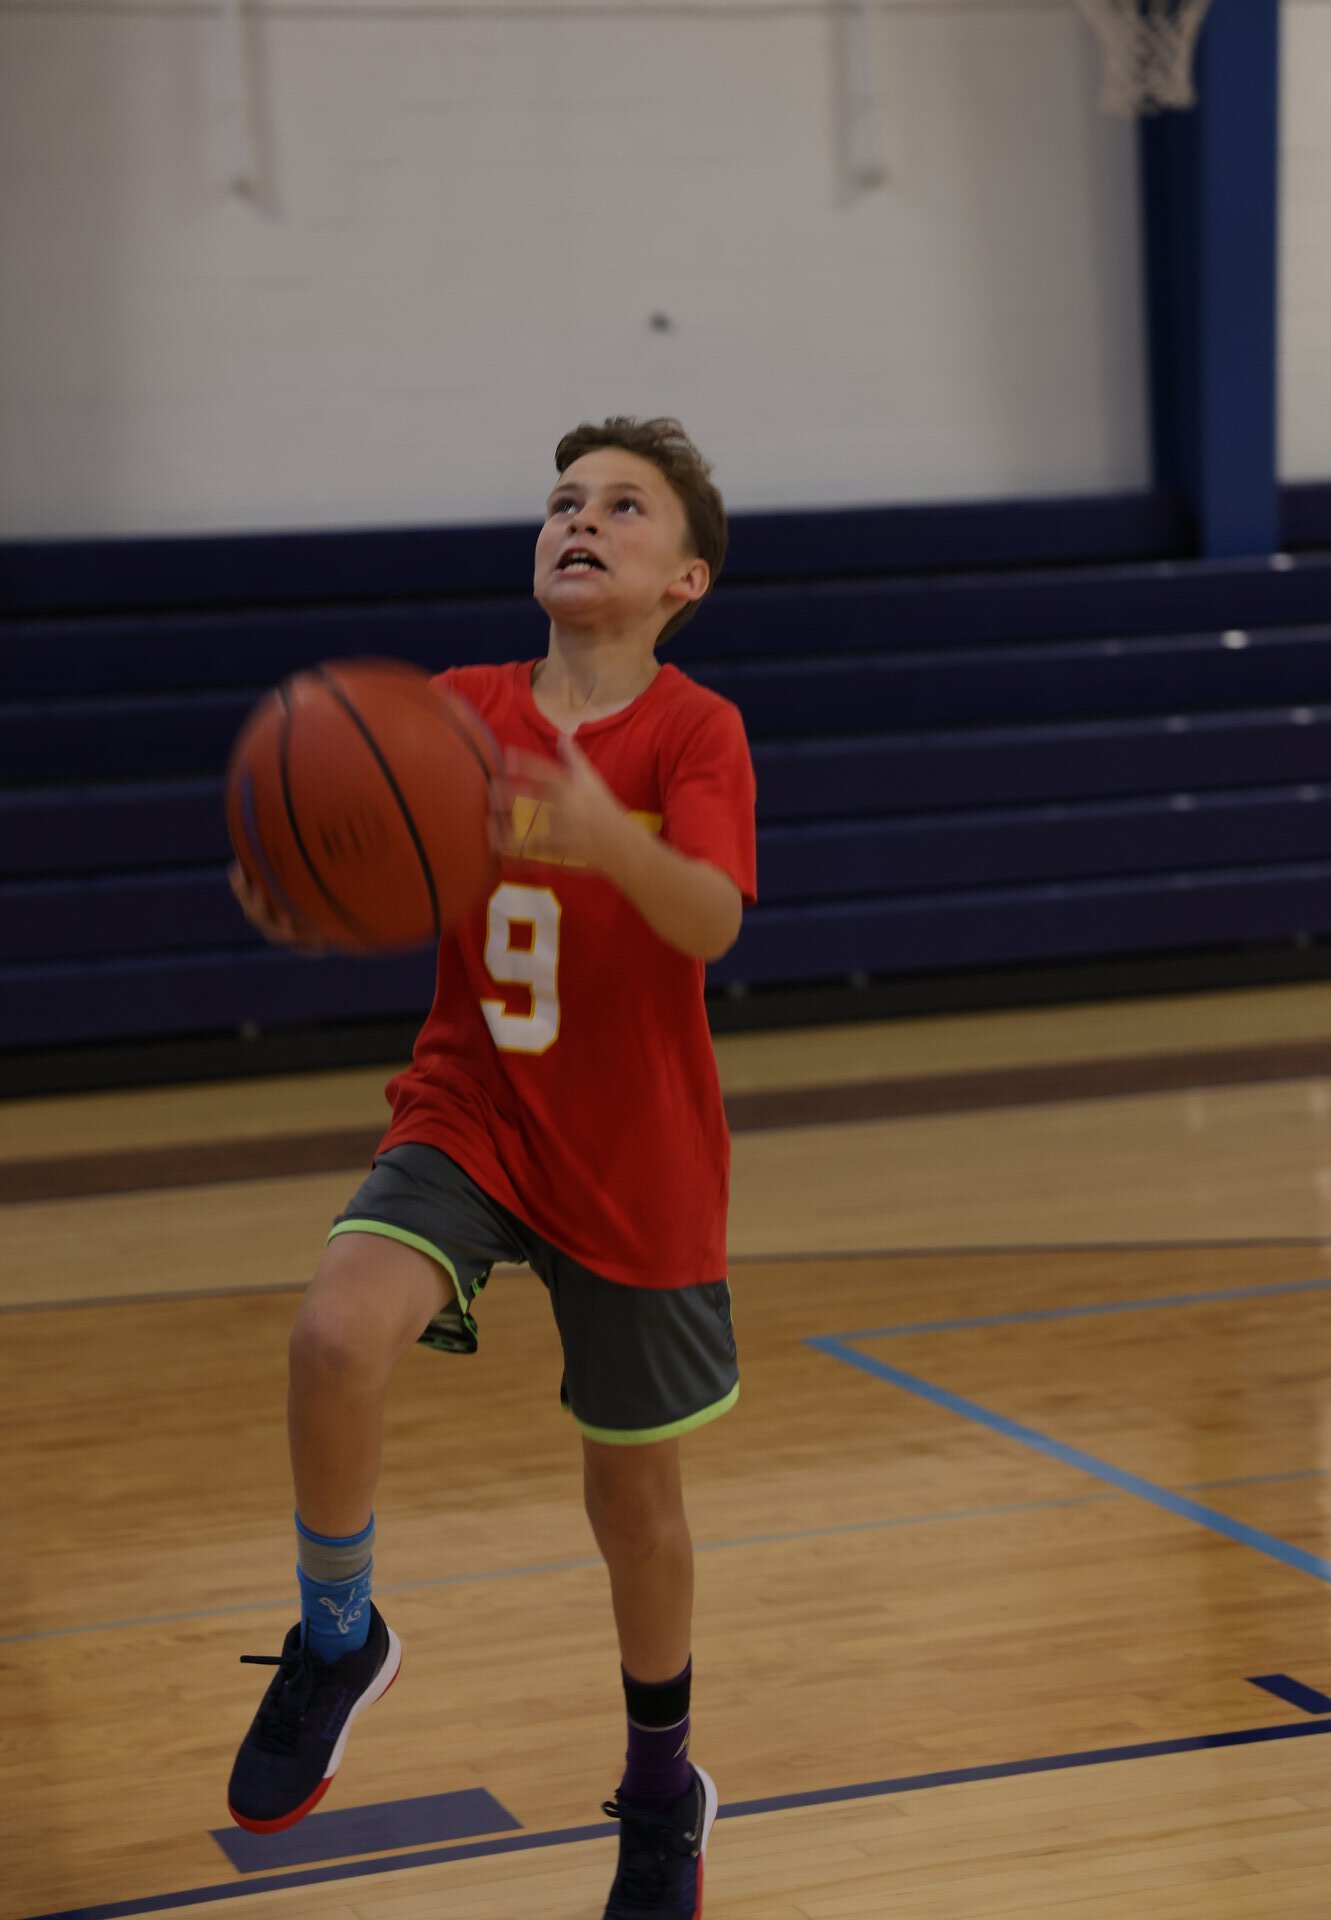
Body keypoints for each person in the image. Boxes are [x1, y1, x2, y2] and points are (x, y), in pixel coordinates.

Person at [226, 416, 756, 1920]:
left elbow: (712, 919)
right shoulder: (448, 715)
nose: (580, 520)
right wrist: (303, 876)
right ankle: (340, 1638)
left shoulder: (690, 733)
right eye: (562, 501)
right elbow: (359, 830)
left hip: (637, 1154)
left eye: (623, 507)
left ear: (685, 578)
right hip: (470, 1113)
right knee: (333, 1333)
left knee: (628, 1504)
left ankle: (662, 1792)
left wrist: (608, 833)